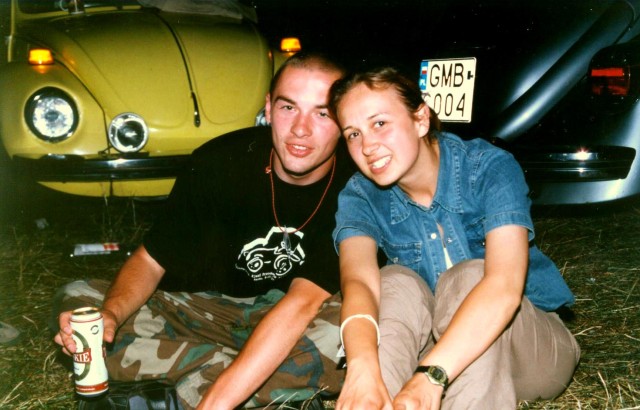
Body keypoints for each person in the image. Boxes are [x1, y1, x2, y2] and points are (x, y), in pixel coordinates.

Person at [53, 51, 353, 410]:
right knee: (80, 300)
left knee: (352, 332)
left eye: (322, 113)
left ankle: (185, 390)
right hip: (203, 311)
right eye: (289, 107)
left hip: (291, 318)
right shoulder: (219, 161)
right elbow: (150, 261)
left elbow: (301, 305)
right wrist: (112, 317)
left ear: (344, 120)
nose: (301, 129)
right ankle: (253, 381)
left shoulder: (356, 189)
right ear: (269, 108)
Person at [328, 67, 580, 409]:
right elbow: (358, 281)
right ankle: (373, 400)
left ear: (420, 119)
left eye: (380, 123)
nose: (368, 146)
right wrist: (361, 367)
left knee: (469, 276)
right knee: (392, 281)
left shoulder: (488, 167)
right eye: (353, 134)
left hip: (528, 352)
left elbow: (504, 287)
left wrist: (429, 375)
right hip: (434, 353)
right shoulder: (360, 195)